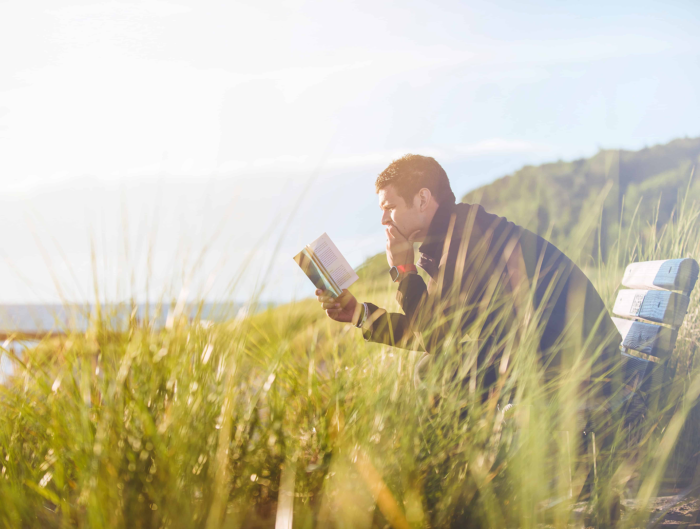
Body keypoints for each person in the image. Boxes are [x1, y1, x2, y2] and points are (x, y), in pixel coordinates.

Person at [315, 154, 621, 406]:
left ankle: (471, 476)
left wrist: (405, 272)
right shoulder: (455, 236)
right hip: (561, 356)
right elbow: (434, 330)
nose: (383, 221)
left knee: (436, 371)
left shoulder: (468, 241)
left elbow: (434, 337)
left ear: (423, 199)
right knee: (442, 367)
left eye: (390, 208)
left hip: (582, 367)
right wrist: (358, 314)